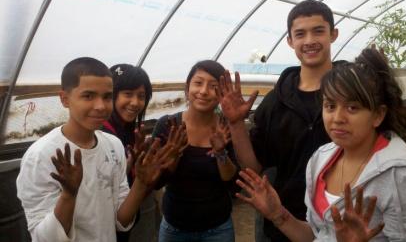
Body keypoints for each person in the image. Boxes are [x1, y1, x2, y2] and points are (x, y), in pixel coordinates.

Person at [227, 48, 406, 241]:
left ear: (378, 115)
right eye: (330, 106)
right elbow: (316, 235)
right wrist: (278, 214)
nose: (337, 118)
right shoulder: (321, 159)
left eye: (352, 108)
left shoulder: (401, 173)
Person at [16, 57, 184, 242]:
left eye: (107, 96)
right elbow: (44, 238)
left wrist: (141, 184)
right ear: (64, 99)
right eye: (88, 96)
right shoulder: (41, 156)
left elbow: (120, 221)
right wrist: (69, 195)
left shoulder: (113, 145)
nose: (100, 106)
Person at [219, 0, 344, 241]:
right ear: (290, 41)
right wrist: (236, 125)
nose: (309, 41)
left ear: (334, 34)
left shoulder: (351, 92)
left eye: (318, 30)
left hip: (341, 219)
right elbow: (254, 167)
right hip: (285, 219)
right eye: (300, 34)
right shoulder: (278, 100)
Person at [152, 60, 239, 242]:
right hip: (174, 228)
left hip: (218, 229)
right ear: (187, 87)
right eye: (198, 83)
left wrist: (220, 152)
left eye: (213, 86)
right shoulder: (168, 125)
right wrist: (173, 156)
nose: (204, 91)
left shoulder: (227, 127)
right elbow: (156, 182)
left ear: (222, 93)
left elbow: (231, 182)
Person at [101, 64, 160, 242]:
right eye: (128, 94)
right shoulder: (102, 135)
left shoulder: (130, 132)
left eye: (141, 96)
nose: (135, 103)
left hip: (123, 225)